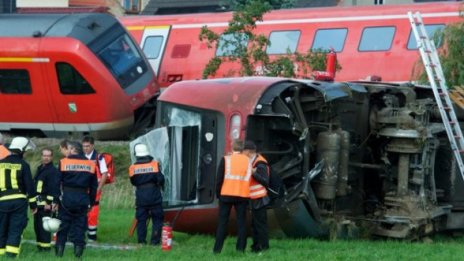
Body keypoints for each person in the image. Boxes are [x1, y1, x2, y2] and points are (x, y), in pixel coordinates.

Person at [55, 141, 98, 258]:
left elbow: (56, 183)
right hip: (83, 198)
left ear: (73, 149)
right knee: (80, 226)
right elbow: (94, 186)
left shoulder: (63, 162)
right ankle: (78, 254)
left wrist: (56, 200)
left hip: (67, 198)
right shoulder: (90, 164)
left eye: (70, 149)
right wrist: (91, 202)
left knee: (63, 226)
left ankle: (59, 253)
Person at [0, 137, 37, 258]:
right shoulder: (24, 165)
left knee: (2, 227)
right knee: (15, 228)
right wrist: (33, 205)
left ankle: (1, 253)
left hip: (2, 202)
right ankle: (11, 255)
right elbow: (30, 187)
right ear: (21, 151)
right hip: (18, 202)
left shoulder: (0, 163)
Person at [213, 140, 251, 254]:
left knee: (222, 223)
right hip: (242, 195)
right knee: (241, 223)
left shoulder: (226, 159)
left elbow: (219, 179)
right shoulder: (248, 161)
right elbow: (248, 178)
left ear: (232, 147)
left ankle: (217, 249)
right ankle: (240, 249)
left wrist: (218, 194)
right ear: (242, 149)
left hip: (226, 195)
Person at [128, 143, 165, 245]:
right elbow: (161, 179)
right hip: (154, 196)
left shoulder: (132, 168)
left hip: (141, 197)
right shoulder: (154, 164)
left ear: (136, 154)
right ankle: (155, 242)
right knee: (157, 219)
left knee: (141, 220)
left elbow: (133, 182)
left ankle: (141, 241)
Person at [243, 141, 270, 253]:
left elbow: (265, 181)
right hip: (254, 199)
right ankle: (256, 246)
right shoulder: (252, 161)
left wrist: (254, 173)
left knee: (260, 225)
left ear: (248, 152)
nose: (242, 153)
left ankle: (263, 247)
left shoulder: (260, 163)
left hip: (259, 199)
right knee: (255, 225)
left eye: (244, 151)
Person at [33, 148, 60, 252]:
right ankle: (40, 246)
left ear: (52, 157)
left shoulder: (53, 171)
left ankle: (45, 248)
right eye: (44, 155)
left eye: (48, 156)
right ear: (41, 156)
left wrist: (49, 203)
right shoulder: (40, 168)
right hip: (38, 201)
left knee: (44, 226)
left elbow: (53, 189)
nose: (46, 158)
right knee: (37, 225)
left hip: (46, 203)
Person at [82, 135, 108, 242]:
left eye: (87, 146)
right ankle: (81, 233)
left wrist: (99, 188)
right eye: (83, 146)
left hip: (94, 189)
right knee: (81, 211)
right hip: (82, 189)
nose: (85, 148)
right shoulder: (80, 156)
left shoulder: (99, 157)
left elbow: (104, 173)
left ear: (92, 145)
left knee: (93, 212)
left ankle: (92, 236)